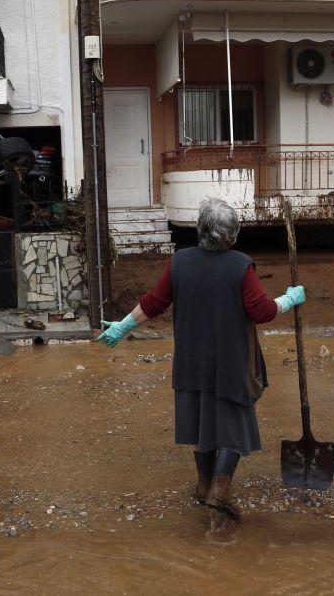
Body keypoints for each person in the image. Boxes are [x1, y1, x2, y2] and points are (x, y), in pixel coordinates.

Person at [95, 198, 306, 528]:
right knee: (233, 428)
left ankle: (203, 485)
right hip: (232, 362)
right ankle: (220, 489)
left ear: (200, 230)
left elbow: (154, 303)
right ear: (232, 233)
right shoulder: (240, 266)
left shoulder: (181, 262)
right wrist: (289, 299)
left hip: (191, 360)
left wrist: (123, 325)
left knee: (199, 424)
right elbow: (262, 312)